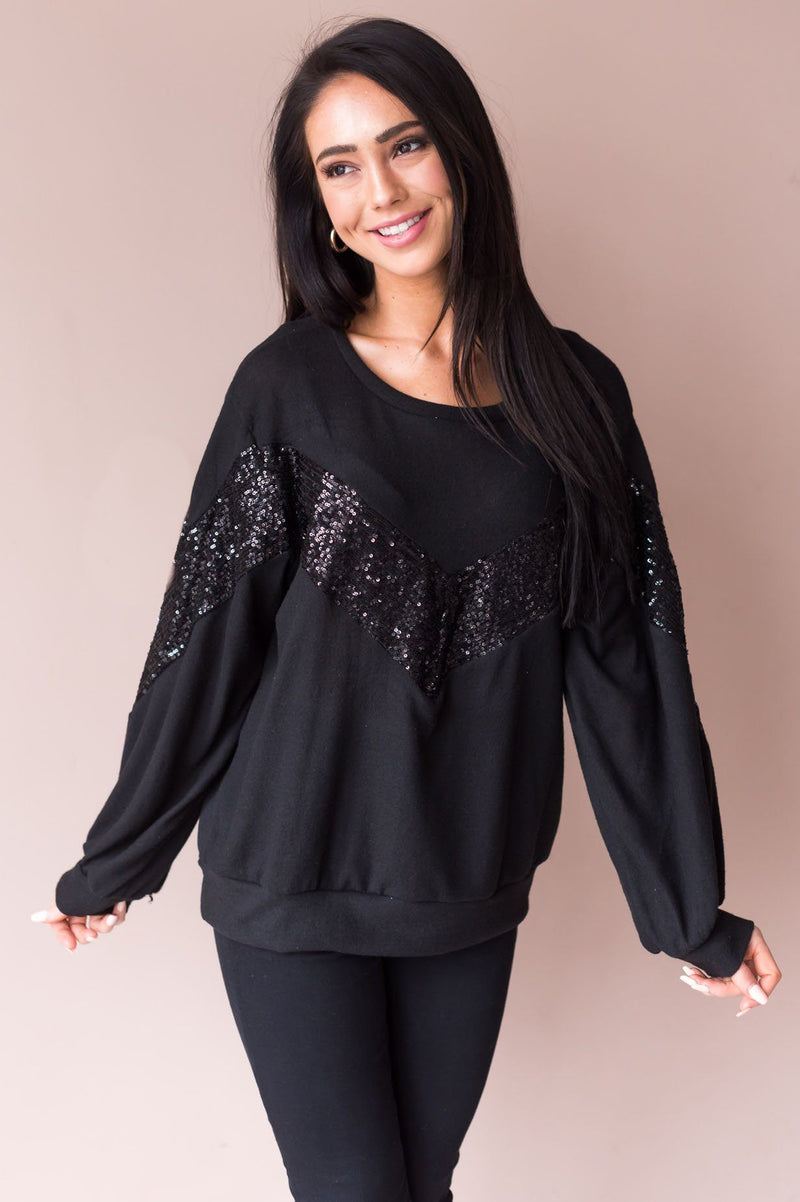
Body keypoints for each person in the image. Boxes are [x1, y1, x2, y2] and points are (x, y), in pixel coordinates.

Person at [32, 16, 780, 1202]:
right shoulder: (285, 386)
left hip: (467, 878)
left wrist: (689, 911)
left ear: (460, 153)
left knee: (419, 1185)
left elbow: (628, 663)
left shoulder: (577, 394)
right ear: (319, 207)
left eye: (405, 144)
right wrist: (121, 851)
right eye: (339, 167)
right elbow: (207, 632)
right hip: (290, 868)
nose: (380, 190)